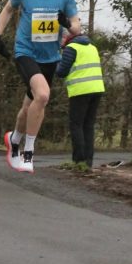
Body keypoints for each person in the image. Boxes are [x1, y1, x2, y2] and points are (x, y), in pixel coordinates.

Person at [0, 0, 83, 173]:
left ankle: (14, 138)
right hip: (26, 52)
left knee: (29, 107)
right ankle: (28, 153)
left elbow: (76, 26)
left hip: (50, 57)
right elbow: (7, 10)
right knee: (42, 95)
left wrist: (68, 24)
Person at [55, 32, 104, 171]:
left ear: (68, 37)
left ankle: (78, 160)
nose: (61, 41)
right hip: (97, 89)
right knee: (88, 126)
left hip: (80, 90)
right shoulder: (92, 47)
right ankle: (88, 161)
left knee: (76, 125)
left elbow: (61, 72)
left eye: (62, 37)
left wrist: (57, 60)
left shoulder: (72, 48)